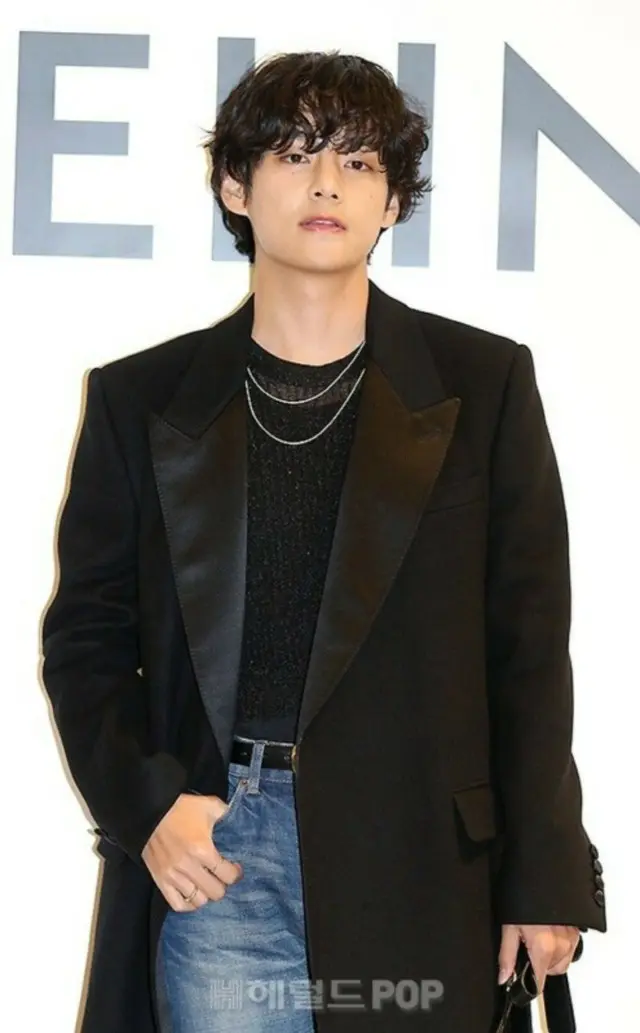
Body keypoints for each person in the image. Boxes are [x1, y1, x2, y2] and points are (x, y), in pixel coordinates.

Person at [40, 50, 607, 1033]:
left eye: (358, 159)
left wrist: (544, 871)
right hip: (219, 858)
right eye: (296, 153)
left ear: (393, 200)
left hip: (423, 853)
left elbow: (528, 652)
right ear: (235, 185)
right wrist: (148, 806)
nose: (327, 182)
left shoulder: (483, 387)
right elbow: (85, 639)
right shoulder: (140, 399)